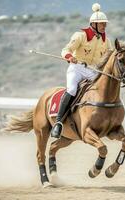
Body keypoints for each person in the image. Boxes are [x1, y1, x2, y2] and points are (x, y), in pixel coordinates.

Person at [51, 3, 112, 138]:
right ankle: (58, 122)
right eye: (101, 23)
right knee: (72, 90)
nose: (104, 26)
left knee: (106, 88)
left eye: (105, 24)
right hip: (77, 68)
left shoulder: (106, 41)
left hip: (93, 71)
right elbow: (65, 50)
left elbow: (110, 57)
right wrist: (70, 57)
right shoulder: (80, 35)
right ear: (93, 24)